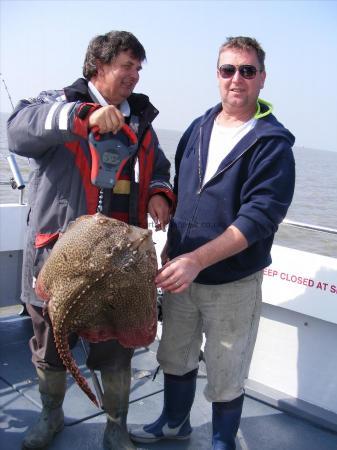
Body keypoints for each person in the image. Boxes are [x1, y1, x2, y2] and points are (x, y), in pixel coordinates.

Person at [7, 30, 175, 450]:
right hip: (60, 255)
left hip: (123, 264)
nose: (135, 75)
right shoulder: (56, 103)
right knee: (51, 344)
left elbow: (159, 165)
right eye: (127, 66)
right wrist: (81, 117)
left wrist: (157, 191)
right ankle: (51, 416)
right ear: (98, 67)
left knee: (116, 351)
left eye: (139, 68)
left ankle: (116, 424)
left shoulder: (141, 120)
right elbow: (17, 131)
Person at [130, 36, 295, 450]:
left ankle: (222, 441)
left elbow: (258, 218)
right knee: (175, 355)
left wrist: (197, 259)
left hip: (233, 283)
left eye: (247, 70)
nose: (236, 78)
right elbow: (182, 190)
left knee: (227, 370)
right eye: (227, 70)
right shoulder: (198, 127)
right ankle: (173, 423)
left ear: (262, 79)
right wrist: (169, 226)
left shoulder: (272, 145)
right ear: (217, 75)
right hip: (181, 274)